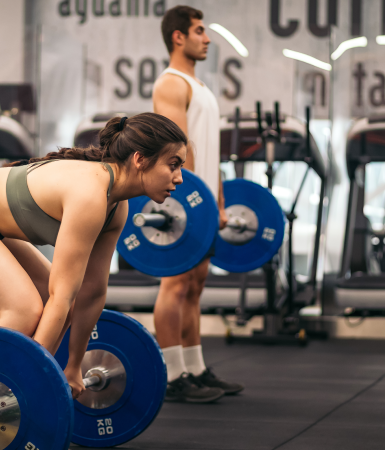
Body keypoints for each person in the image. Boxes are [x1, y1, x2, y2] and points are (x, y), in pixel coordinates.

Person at [0, 113, 188, 399]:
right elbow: (62, 296)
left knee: (50, 302)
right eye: (172, 165)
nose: (178, 177)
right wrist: (34, 378)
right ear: (139, 159)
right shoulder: (90, 194)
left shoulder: (116, 206)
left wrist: (73, 367)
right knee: (25, 310)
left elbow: (91, 292)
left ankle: (2, 384)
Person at [152, 5, 245, 403]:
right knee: (174, 284)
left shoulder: (200, 87)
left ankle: (195, 367)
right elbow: (178, 150)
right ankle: (172, 377)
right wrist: (191, 204)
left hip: (203, 201)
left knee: (195, 285)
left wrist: (218, 200)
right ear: (179, 37)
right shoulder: (171, 84)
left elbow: (210, 154)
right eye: (199, 31)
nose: (206, 38)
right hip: (183, 202)